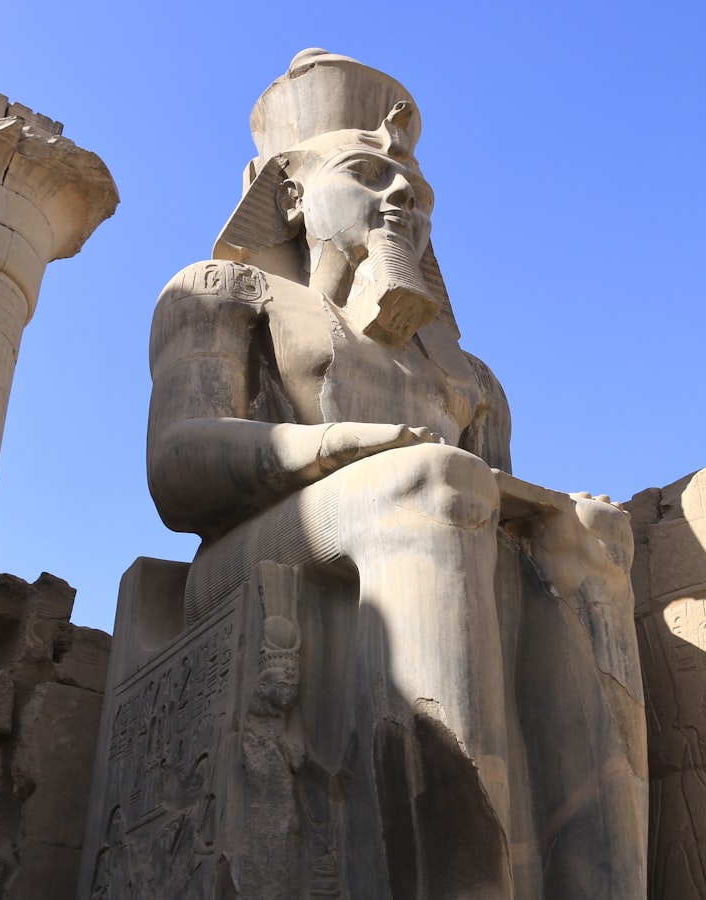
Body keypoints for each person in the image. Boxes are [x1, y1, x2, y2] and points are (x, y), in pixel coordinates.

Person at [147, 50, 644, 897]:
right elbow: (177, 467)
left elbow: (495, 511)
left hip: (416, 516)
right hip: (252, 551)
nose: (402, 198)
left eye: (414, 189)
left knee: (590, 539)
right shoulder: (223, 292)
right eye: (367, 173)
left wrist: (559, 516)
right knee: (430, 485)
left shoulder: (468, 373)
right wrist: (333, 445)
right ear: (293, 195)